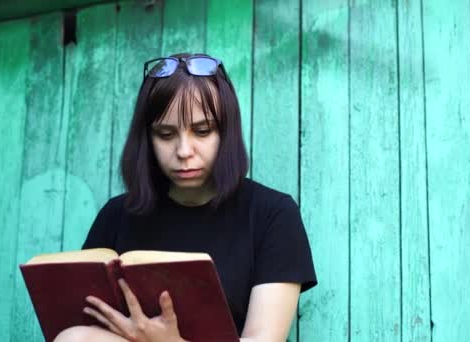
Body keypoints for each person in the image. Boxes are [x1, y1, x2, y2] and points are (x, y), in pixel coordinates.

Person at [53, 53, 317, 342]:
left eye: (202, 131)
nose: (183, 151)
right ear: (147, 139)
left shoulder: (273, 214)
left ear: (226, 132)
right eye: (165, 134)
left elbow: (264, 339)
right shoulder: (117, 215)